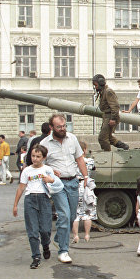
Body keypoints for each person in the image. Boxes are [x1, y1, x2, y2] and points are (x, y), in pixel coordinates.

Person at [41, 113, 89, 264]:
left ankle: (58, 238)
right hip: (57, 184)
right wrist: (48, 169)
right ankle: (63, 251)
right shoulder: (45, 144)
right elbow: (38, 164)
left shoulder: (72, 138)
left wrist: (86, 176)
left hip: (73, 182)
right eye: (59, 127)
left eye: (64, 126)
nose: (62, 129)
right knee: (64, 215)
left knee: (72, 216)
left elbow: (79, 158)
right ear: (51, 127)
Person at [12, 145, 55, 269]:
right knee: (32, 231)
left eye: (38, 156)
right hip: (30, 200)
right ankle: (36, 256)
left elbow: (55, 184)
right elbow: (21, 187)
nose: (35, 159)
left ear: (44, 157)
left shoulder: (47, 169)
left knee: (45, 230)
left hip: (44, 199)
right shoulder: (27, 171)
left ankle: (46, 245)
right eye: (33, 156)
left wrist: (51, 180)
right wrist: (15, 205)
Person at [93, 74, 129, 151]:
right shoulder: (103, 92)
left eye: (96, 85)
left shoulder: (108, 92)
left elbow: (115, 106)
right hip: (106, 116)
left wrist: (113, 119)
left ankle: (107, 155)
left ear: (101, 83)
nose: (95, 87)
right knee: (108, 137)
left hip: (110, 117)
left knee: (102, 138)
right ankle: (124, 146)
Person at [71, 141, 96, 244]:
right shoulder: (90, 161)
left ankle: (76, 236)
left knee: (75, 214)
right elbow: (94, 169)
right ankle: (87, 235)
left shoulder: (72, 162)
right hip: (86, 187)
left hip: (74, 186)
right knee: (87, 213)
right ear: (84, 150)